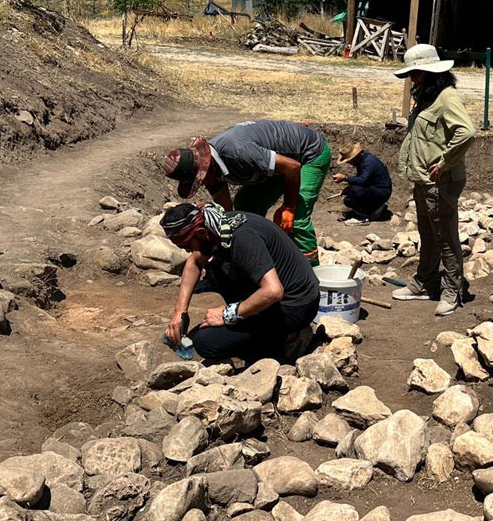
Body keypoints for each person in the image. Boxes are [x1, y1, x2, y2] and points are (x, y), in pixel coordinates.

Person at [160, 202, 319, 362]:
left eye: (186, 245)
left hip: (297, 305)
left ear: (201, 233)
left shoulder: (242, 238)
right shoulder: (218, 225)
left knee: (205, 342)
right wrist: (180, 311)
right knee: (216, 271)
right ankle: (264, 329)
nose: (187, 250)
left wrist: (227, 314)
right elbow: (195, 261)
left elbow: (273, 291)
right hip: (287, 294)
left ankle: (289, 339)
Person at [162, 120, 331, 265]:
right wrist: (225, 245)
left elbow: (292, 168)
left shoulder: (238, 152)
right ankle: (263, 257)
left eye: (199, 181)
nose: (202, 184)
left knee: (295, 218)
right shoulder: (211, 170)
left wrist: (289, 206)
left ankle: (312, 274)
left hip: (308, 154)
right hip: (279, 166)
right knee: (245, 206)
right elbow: (227, 212)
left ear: (206, 169)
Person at [390, 44, 476, 317]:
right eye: (411, 74)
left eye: (417, 74)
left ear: (433, 72)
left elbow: (466, 132)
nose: (413, 80)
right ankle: (424, 282)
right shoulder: (428, 97)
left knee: (445, 237)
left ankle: (452, 290)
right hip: (424, 180)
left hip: (442, 181)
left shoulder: (447, 97)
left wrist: (444, 162)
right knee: (428, 235)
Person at [333, 143, 392, 223]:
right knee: (348, 200)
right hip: (373, 189)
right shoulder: (361, 161)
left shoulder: (368, 162)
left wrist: (345, 178)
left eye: (348, 160)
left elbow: (362, 180)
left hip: (382, 191)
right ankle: (373, 209)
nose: (348, 163)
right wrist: (348, 188)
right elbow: (361, 178)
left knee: (356, 190)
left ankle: (363, 216)